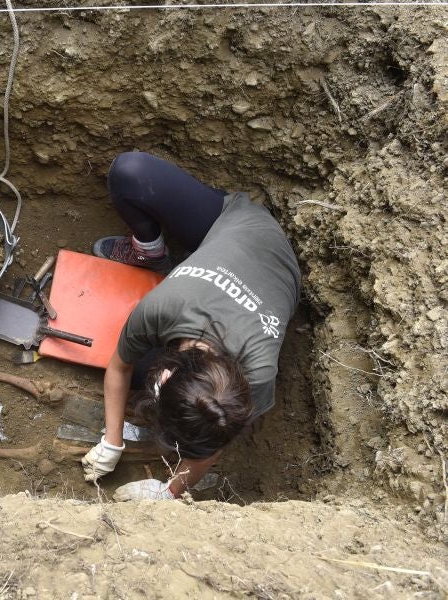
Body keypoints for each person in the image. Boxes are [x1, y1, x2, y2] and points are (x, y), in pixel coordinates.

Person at [82, 151, 300, 501]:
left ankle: (182, 257)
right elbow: (118, 366)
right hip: (233, 225)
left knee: (141, 375)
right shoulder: (161, 307)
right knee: (130, 171)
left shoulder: (256, 377)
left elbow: (215, 440)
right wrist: (112, 438)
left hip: (259, 255)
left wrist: (170, 491)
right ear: (167, 375)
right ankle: (151, 254)